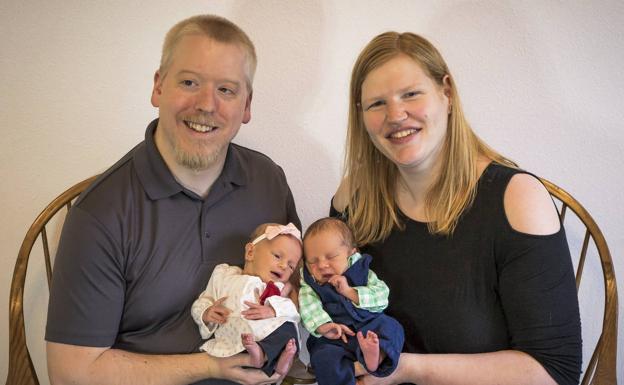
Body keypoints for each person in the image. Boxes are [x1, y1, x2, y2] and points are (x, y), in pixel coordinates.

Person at [45, 15, 300, 385]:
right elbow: (72, 373)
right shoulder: (100, 213)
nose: (206, 105)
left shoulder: (269, 181)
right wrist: (210, 367)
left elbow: (298, 286)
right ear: (158, 87)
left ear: (246, 106)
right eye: (189, 82)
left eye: (226, 90)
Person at [332, 32, 582, 385]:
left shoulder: (517, 199)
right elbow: (332, 309)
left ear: (446, 93)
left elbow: (555, 373)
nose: (395, 114)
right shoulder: (353, 197)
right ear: (361, 116)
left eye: (411, 94)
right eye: (376, 104)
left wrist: (408, 370)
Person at [299, 217, 404, 385]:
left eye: (331, 256)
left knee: (393, 328)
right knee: (323, 357)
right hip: (334, 337)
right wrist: (324, 326)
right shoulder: (309, 283)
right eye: (313, 261)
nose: (322, 265)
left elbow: (382, 296)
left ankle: (375, 357)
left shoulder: (361, 270)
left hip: (370, 326)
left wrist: (350, 292)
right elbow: (308, 308)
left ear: (351, 254)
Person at [191, 223, 302, 376]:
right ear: (250, 252)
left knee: (288, 328)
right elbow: (203, 300)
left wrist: (272, 310)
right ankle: (257, 355)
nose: (284, 266)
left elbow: (292, 309)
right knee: (252, 338)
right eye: (277, 256)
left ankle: (279, 361)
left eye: (291, 266)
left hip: (266, 332)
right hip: (235, 333)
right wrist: (206, 312)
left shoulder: (278, 288)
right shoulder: (224, 275)